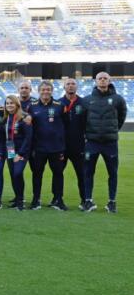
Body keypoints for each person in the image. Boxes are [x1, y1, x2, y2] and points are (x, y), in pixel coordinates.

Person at [81, 72, 127, 213]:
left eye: (105, 78)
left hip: (110, 143)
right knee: (88, 172)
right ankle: (88, 201)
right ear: (95, 81)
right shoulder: (87, 100)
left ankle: (112, 202)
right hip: (92, 142)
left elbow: (121, 117)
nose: (102, 81)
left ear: (109, 81)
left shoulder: (118, 99)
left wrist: (112, 131)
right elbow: (83, 121)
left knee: (112, 173)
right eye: (100, 78)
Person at [29, 81, 67, 211]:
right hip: (38, 148)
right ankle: (36, 199)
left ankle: (58, 199)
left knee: (58, 174)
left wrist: (63, 143)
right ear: (38, 91)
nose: (46, 92)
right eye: (43, 89)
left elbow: (66, 125)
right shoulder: (32, 106)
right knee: (37, 174)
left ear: (52, 91)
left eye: (48, 89)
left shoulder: (60, 105)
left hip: (56, 148)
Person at [2, 95, 33, 210]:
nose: (9, 105)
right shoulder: (6, 117)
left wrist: (20, 153)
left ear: (17, 104)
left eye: (12, 103)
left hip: (21, 151)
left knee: (17, 173)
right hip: (10, 150)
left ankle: (21, 200)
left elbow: (28, 137)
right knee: (12, 175)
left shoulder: (24, 117)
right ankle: (17, 198)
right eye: (7, 103)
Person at [60, 77, 86, 206]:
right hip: (61, 146)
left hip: (79, 146)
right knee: (58, 173)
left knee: (82, 175)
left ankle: (85, 200)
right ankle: (58, 199)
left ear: (77, 87)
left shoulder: (84, 103)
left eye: (73, 84)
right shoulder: (58, 103)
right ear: (64, 87)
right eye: (68, 84)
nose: (70, 86)